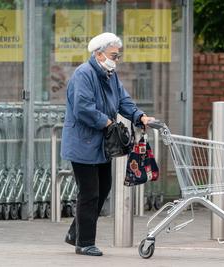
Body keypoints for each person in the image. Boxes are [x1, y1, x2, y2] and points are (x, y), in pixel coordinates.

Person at [60, 32, 154, 256]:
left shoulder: (110, 75)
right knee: (89, 192)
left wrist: (138, 115)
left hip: (101, 143)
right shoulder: (84, 74)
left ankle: (75, 232)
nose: (117, 59)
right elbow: (83, 108)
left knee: (104, 188)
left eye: (118, 55)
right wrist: (107, 122)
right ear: (99, 54)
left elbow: (123, 100)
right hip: (82, 143)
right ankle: (84, 242)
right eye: (114, 55)